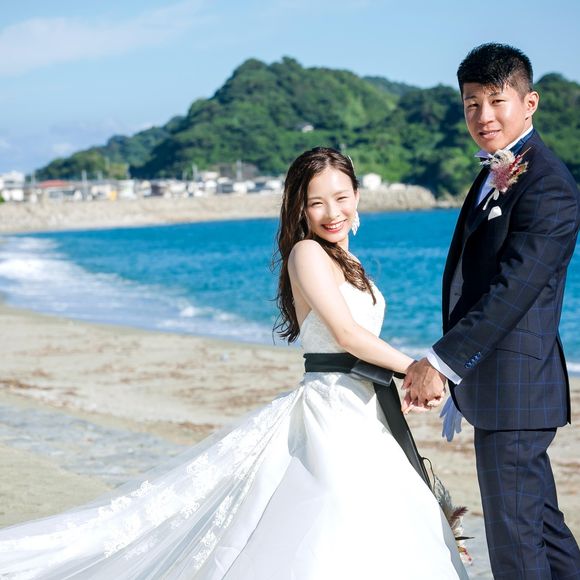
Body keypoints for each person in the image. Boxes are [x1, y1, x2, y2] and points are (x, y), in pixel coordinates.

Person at [0, 147, 468, 579]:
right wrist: (416, 367)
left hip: (363, 406)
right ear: (300, 209)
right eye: (316, 203)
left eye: (341, 198)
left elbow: (360, 344)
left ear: (357, 196)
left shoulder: (349, 260)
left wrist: (398, 383)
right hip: (329, 410)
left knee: (381, 520)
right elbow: (346, 336)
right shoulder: (307, 253)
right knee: (331, 514)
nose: (332, 212)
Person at [403, 43, 580, 578]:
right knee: (541, 530)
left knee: (515, 545)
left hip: (517, 390)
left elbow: (511, 292)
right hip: (505, 389)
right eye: (471, 103)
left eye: (497, 101)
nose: (483, 116)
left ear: (530, 103)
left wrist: (442, 362)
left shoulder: (549, 186)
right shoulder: (497, 171)